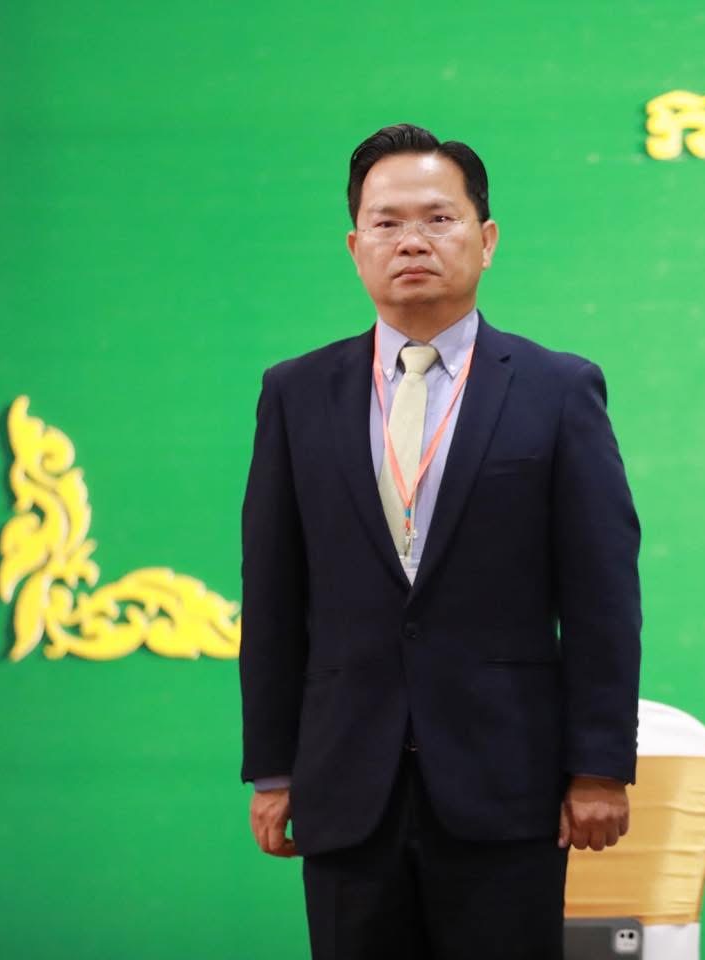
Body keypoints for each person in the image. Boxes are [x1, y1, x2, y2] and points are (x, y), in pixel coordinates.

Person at [238, 123, 642, 959]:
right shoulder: (296, 393)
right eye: (386, 222)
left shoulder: (557, 388)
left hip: (508, 782)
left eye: (438, 219)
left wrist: (600, 766)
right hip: (347, 783)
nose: (412, 241)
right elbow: (273, 595)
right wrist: (273, 769)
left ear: (485, 240)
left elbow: (602, 594)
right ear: (355, 246)